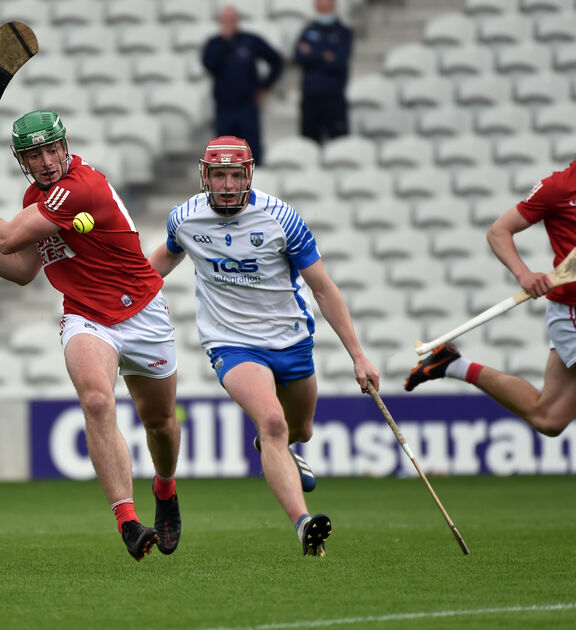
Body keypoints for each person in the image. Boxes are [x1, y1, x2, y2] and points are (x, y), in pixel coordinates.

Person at [0, 110, 182, 562]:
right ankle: (128, 521)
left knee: (161, 424)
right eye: (35, 154)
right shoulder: (36, 196)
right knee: (97, 401)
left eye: (52, 149)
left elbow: (7, 239)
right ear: (23, 160)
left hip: (143, 311)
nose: (47, 160)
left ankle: (165, 487)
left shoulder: (81, 186)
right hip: (86, 317)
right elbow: (23, 270)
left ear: (66, 148)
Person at [149, 136, 381, 556]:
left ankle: (280, 448)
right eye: (218, 174)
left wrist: (358, 356)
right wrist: (121, 296)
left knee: (300, 429)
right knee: (273, 422)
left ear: (249, 175)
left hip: (290, 341)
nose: (226, 184)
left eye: (235, 175)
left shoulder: (280, 218)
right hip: (232, 343)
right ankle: (303, 523)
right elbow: (163, 259)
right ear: (205, 175)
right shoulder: (184, 219)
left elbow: (324, 288)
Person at [405, 99, 576, 449]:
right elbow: (499, 231)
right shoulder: (559, 187)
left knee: (549, 418)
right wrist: (524, 274)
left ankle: (451, 364)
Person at [202, 5, 283, 165]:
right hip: (224, 108)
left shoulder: (250, 41)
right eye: (226, 20)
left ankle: (254, 184)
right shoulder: (214, 44)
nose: (229, 24)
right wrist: (224, 42)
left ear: (237, 21)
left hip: (247, 106)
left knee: (252, 153)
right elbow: (209, 64)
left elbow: (276, 60)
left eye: (232, 20)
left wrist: (265, 86)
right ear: (220, 22)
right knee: (225, 155)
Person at [293, 0, 353, 144]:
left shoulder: (343, 32)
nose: (324, 11)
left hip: (334, 96)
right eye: (322, 8)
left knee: (339, 143)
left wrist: (312, 53)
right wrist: (325, 55)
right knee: (309, 144)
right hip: (310, 97)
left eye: (327, 7)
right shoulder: (308, 30)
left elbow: (339, 62)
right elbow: (298, 56)